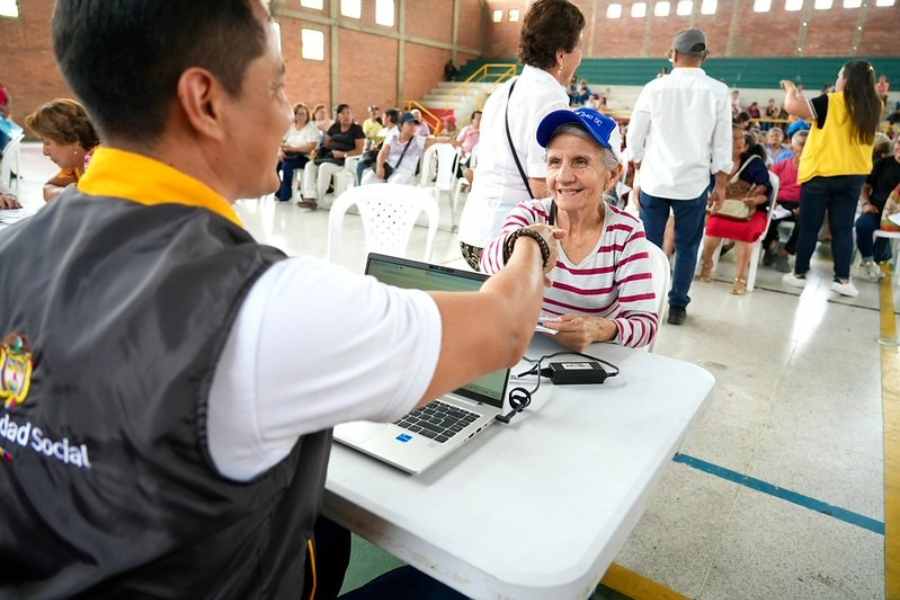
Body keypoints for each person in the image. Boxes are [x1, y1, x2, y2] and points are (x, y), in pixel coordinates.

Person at [0, 1, 560, 597]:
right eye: (277, 85)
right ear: (205, 101)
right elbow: (505, 327)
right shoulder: (263, 304)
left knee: (322, 526)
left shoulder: (14, 250)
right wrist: (532, 240)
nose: (289, 111)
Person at [481, 108, 658, 349]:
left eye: (580, 162)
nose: (563, 177)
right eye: (555, 162)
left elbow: (645, 324)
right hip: (525, 349)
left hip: (592, 357)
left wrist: (600, 329)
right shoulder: (530, 215)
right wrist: (528, 241)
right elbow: (488, 263)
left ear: (612, 175)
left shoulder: (625, 232)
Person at [458, 0, 585, 270]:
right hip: (508, 242)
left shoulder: (505, 89)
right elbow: (542, 187)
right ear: (561, 55)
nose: (581, 56)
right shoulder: (550, 100)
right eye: (579, 46)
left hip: (473, 233)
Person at [627, 28, 732, 325]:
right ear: (705, 56)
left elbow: (635, 137)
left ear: (672, 55)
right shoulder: (718, 91)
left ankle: (647, 303)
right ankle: (677, 306)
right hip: (693, 184)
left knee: (650, 246)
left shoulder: (654, 88)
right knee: (688, 246)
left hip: (655, 180)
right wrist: (721, 183)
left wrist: (636, 170)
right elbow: (722, 142)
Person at [780, 61, 882, 298]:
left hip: (821, 173)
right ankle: (843, 280)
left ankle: (799, 273)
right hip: (853, 175)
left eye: (839, 75)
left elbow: (791, 107)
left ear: (846, 79)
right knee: (843, 228)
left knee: (809, 226)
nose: (837, 80)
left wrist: (790, 89)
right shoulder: (875, 105)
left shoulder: (832, 101)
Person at [698, 127, 772, 294]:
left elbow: (765, 190)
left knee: (745, 232)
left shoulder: (755, 163)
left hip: (751, 211)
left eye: (740, 140)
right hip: (723, 208)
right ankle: (707, 264)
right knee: (713, 226)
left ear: (745, 146)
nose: (736, 143)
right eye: (732, 139)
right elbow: (706, 186)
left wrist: (754, 200)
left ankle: (741, 278)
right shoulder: (714, 161)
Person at [23, 98, 99, 202]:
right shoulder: (74, 165)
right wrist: (65, 195)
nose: (45, 152)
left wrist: (66, 196)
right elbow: (49, 186)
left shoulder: (100, 163)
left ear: (73, 140)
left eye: (47, 143)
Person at [298, 103, 365, 209]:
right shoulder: (335, 127)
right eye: (343, 113)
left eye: (348, 113)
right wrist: (318, 150)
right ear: (338, 116)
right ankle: (310, 196)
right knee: (310, 165)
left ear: (352, 115)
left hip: (345, 160)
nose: (346, 116)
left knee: (324, 167)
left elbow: (359, 150)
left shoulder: (357, 129)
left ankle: (318, 199)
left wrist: (343, 154)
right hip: (329, 157)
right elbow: (326, 144)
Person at [762, 129, 809, 272]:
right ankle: (771, 247)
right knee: (766, 214)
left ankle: (785, 252)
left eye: (808, 144)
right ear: (793, 147)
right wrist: (773, 200)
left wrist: (804, 206)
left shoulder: (813, 169)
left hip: (801, 204)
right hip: (780, 202)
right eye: (802, 144)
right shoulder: (781, 166)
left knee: (807, 219)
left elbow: (815, 193)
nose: (805, 147)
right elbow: (767, 185)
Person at [855, 136, 900, 280]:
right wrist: (865, 204)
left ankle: (878, 258)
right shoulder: (883, 163)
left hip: (897, 216)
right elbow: (865, 186)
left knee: (887, 230)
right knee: (862, 225)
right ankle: (869, 261)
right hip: (877, 209)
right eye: (899, 143)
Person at [360, 112, 429, 185]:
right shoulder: (392, 137)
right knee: (367, 179)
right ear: (401, 126)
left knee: (394, 184)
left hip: (405, 172)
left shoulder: (418, 140)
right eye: (410, 124)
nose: (413, 126)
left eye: (415, 124)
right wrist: (380, 167)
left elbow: (435, 141)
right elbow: (383, 152)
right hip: (389, 168)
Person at [274, 103, 319, 202]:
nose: (301, 116)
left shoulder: (311, 128)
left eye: (303, 114)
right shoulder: (291, 127)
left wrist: (293, 149)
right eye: (298, 114)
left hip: (304, 157)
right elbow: (281, 141)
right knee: (273, 164)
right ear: (294, 115)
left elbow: (310, 147)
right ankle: (279, 191)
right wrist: (280, 151)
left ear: (307, 115)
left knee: (286, 166)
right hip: (288, 154)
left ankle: (286, 194)